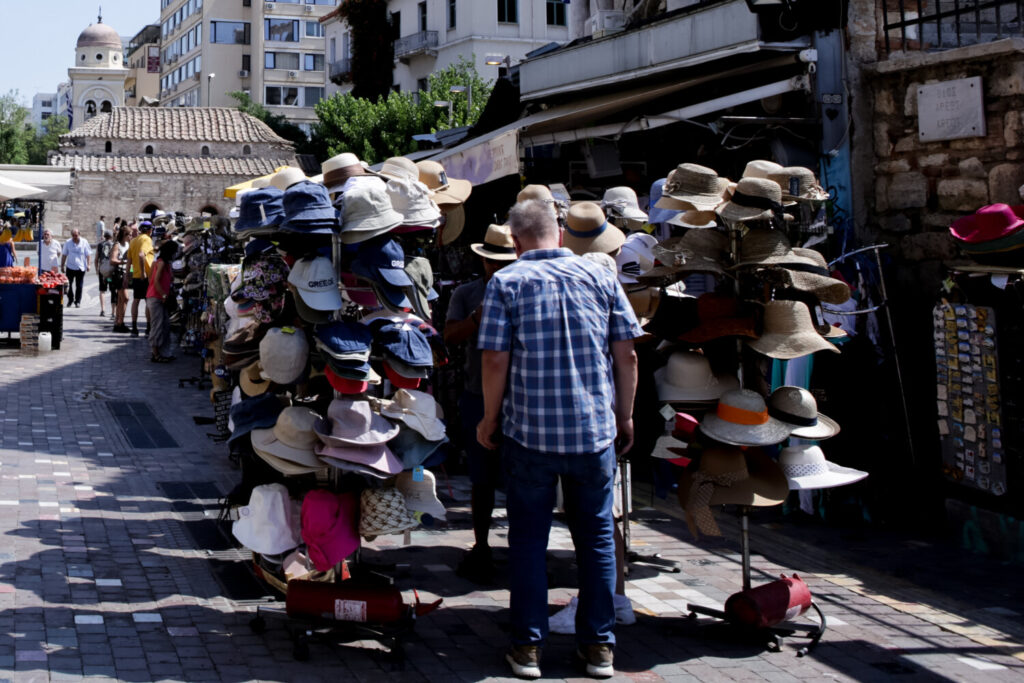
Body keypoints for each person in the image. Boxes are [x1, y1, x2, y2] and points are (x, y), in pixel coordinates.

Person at [477, 199, 641, 680]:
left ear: (514, 241)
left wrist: (489, 419)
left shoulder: (506, 282)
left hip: (530, 434)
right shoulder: (601, 277)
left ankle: (528, 648)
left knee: (529, 540)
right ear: (561, 235)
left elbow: (493, 361)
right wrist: (625, 415)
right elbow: (627, 354)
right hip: (593, 432)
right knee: (595, 540)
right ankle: (599, 649)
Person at [444, 224, 517, 583]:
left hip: (520, 398)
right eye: (491, 262)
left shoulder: (526, 290)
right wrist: (477, 316)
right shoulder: (467, 293)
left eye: (504, 262)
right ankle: (482, 542)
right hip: (477, 393)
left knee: (521, 475)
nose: (497, 269)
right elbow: (449, 336)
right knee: (481, 477)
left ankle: (522, 546)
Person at [146, 240, 178, 363]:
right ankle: (155, 354)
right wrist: (163, 295)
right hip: (157, 298)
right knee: (158, 325)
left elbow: (151, 279)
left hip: (157, 297)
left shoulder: (159, 262)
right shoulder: (162, 263)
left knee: (165, 325)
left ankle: (163, 352)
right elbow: (156, 281)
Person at [126, 221, 155, 337]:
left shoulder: (133, 240)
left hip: (136, 275)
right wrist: (143, 272)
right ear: (149, 230)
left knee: (136, 300)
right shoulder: (146, 239)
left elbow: (129, 260)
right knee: (148, 301)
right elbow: (141, 255)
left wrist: (126, 274)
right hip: (146, 276)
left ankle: (134, 328)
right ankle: (148, 328)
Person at [60, 229, 91, 308]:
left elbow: (88, 254)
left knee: (79, 286)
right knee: (68, 285)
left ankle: (78, 301)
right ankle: (70, 299)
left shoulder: (84, 242)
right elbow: (64, 254)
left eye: (76, 235)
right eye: (73, 235)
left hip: (81, 267)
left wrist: (88, 265)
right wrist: (62, 265)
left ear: (79, 234)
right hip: (70, 267)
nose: (75, 237)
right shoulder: (68, 242)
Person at [110, 225, 132, 333]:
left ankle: (118, 322)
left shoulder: (128, 244)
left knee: (121, 299)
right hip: (118, 274)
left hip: (124, 273)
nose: (131, 236)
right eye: (130, 234)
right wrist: (124, 262)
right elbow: (112, 260)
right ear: (125, 235)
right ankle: (120, 322)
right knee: (126, 298)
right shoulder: (117, 245)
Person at [95, 230, 114, 318]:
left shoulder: (100, 245)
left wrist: (97, 269)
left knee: (102, 290)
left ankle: (103, 309)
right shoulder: (114, 244)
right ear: (111, 236)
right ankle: (113, 311)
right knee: (113, 289)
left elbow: (96, 259)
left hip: (103, 271)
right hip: (111, 272)